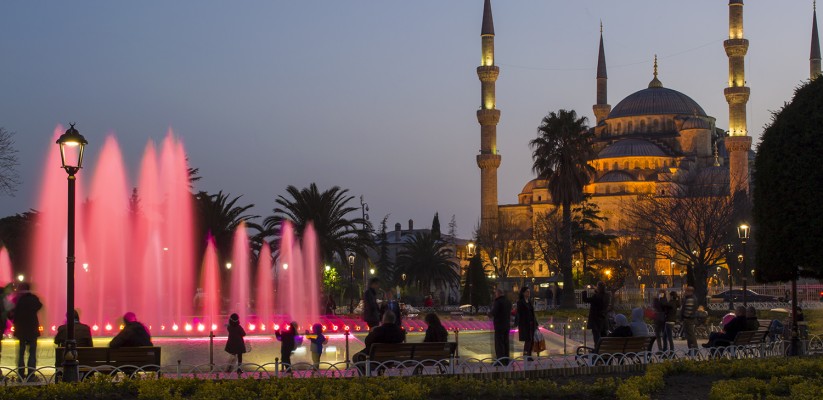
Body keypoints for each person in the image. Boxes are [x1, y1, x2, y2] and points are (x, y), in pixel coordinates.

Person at [10, 283, 41, 380]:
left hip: (21, 329)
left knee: (21, 353)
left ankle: (20, 374)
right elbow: (39, 306)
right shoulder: (34, 299)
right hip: (32, 329)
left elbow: (12, 314)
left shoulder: (17, 299)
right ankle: (31, 375)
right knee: (32, 353)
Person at [489, 288, 512, 365]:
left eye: (495, 294)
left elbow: (494, 312)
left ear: (498, 293)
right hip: (506, 325)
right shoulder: (508, 301)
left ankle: (500, 361)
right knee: (506, 343)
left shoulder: (498, 301)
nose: (495, 295)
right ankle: (506, 360)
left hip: (499, 325)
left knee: (499, 343)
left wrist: (489, 314)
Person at [516, 287, 537, 359]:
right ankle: (526, 354)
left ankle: (529, 354)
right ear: (523, 293)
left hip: (531, 323)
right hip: (525, 324)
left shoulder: (530, 301)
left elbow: (532, 313)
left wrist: (536, 323)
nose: (528, 293)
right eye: (527, 292)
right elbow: (519, 314)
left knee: (531, 340)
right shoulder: (520, 302)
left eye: (529, 292)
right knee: (528, 340)